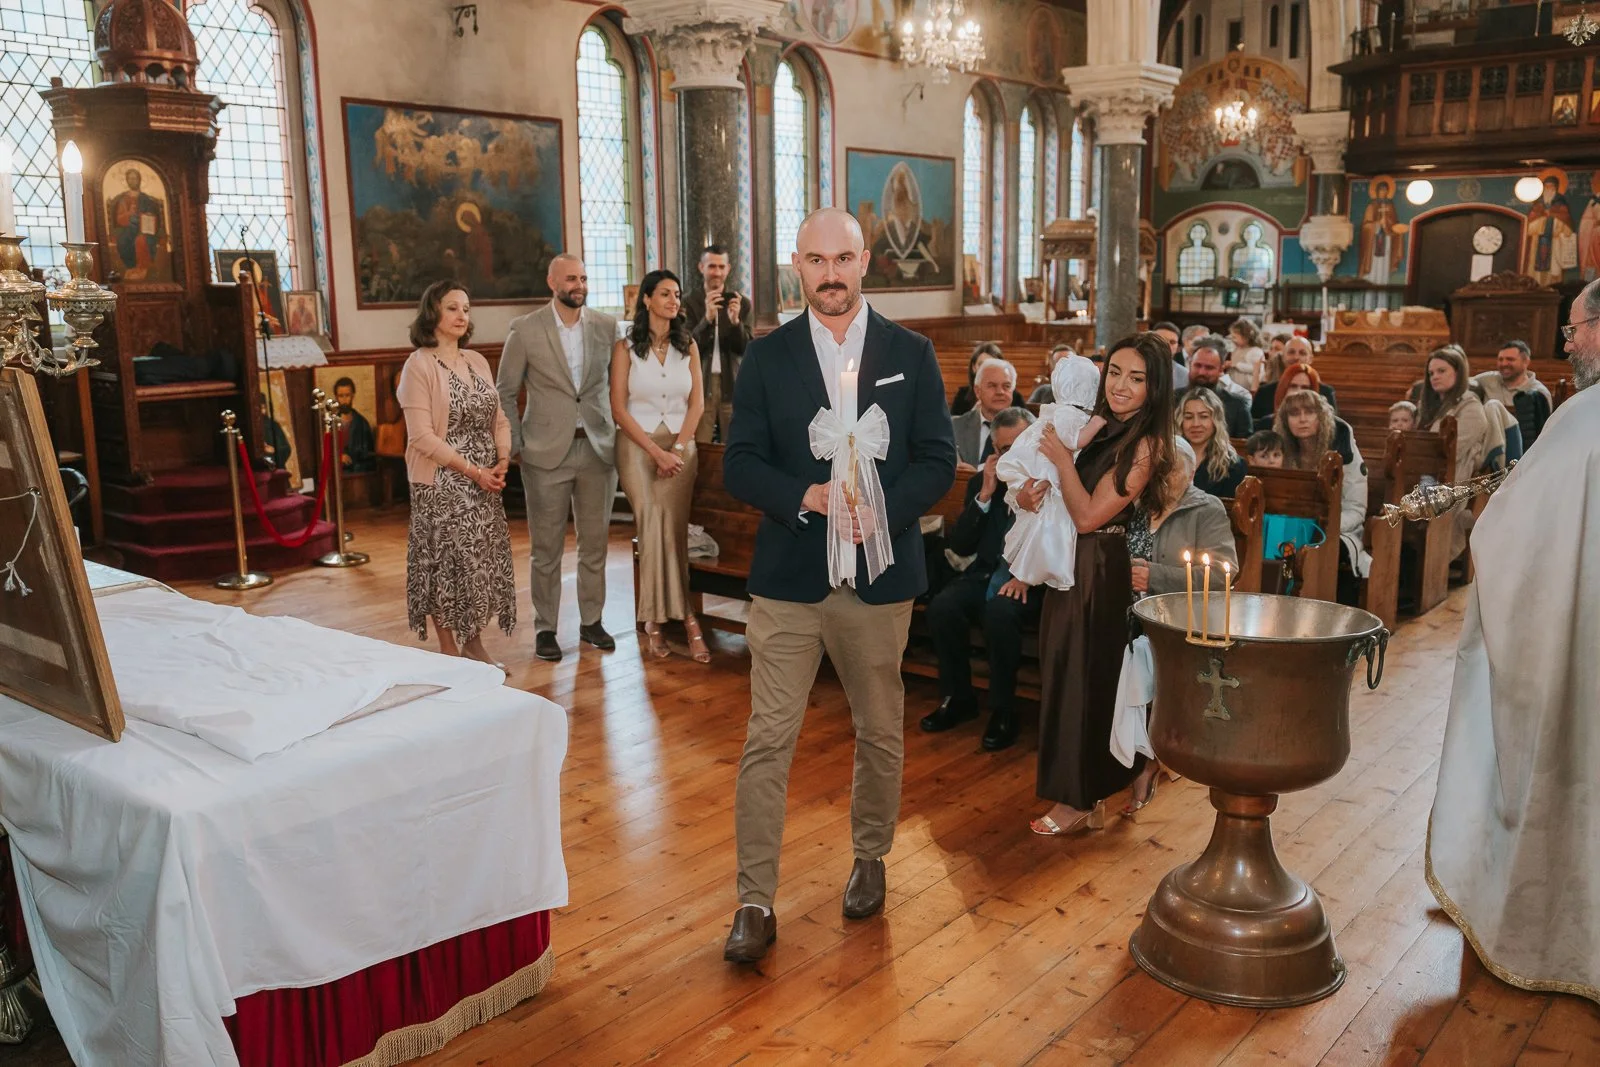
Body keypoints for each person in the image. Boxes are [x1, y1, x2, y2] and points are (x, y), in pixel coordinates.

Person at [720, 208, 956, 962]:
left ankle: (871, 856)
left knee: (879, 728)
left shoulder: (911, 353)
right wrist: (809, 496)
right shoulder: (768, 357)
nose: (830, 273)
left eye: (843, 258)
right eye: (815, 260)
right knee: (768, 737)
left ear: (865, 263)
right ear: (797, 265)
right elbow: (739, 462)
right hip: (791, 576)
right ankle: (754, 899)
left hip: (880, 579)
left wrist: (878, 504)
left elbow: (937, 459)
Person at [1427, 279, 1600, 1009]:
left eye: (1577, 326)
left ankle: (1548, 924)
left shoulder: (1585, 417)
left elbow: (1516, 538)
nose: (1569, 341)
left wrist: (1490, 527)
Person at [1021, 332, 1175, 836]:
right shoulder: (1097, 425)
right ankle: (1123, 772)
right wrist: (1030, 493)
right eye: (1114, 373)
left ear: (1155, 388)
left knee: (1083, 682)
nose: (1120, 387)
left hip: (1097, 564)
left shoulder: (1147, 444)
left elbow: (1088, 514)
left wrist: (1063, 464)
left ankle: (1077, 798)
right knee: (1066, 673)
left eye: (1136, 378)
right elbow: (1058, 496)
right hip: (1068, 559)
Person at [496, 254, 619, 663]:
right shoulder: (526, 330)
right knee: (546, 548)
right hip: (544, 452)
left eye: (583, 277)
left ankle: (592, 621)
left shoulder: (606, 327)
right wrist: (516, 445)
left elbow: (614, 386)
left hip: (598, 448)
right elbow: (505, 391)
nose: (579, 285)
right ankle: (546, 628)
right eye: (571, 278)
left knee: (595, 544)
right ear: (552, 282)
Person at [397, 282, 515, 666]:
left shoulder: (477, 360)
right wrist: (474, 470)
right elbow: (421, 437)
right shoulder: (419, 365)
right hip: (441, 482)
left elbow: (498, 417)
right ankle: (450, 651)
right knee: (443, 565)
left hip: (483, 483)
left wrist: (501, 459)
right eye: (452, 308)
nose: (462, 315)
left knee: (477, 563)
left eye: (466, 307)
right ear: (432, 313)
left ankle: (475, 644)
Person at [1121, 437, 1238, 810]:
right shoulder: (1135, 505)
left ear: (1190, 472)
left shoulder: (1207, 509)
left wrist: (1154, 576)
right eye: (1156, 467)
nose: (1161, 475)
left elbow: (1223, 577)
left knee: (1151, 656)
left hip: (1179, 619)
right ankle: (1116, 755)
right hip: (1127, 609)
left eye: (1170, 467)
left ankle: (1151, 760)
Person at [920, 406, 1039, 752]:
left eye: (1019, 445)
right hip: (986, 572)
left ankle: (1003, 710)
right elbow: (960, 545)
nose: (1012, 455)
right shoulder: (987, 482)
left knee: (1000, 614)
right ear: (994, 453)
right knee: (944, 606)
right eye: (1003, 450)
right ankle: (957, 698)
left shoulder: (1051, 481)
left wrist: (1025, 576)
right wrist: (985, 493)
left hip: (1031, 578)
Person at [610, 269, 709, 663]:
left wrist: (680, 447)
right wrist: (656, 452)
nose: (674, 300)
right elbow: (619, 408)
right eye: (665, 293)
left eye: (677, 295)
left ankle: (659, 620)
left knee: (675, 533)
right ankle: (683, 619)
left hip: (681, 448)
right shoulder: (625, 348)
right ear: (647, 299)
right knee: (652, 525)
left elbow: (698, 404)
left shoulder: (690, 347)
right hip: (638, 447)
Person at [996, 355, 1106, 590]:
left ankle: (1036, 569)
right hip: (1053, 477)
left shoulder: (1058, 411)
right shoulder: (1071, 414)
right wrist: (1096, 424)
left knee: (1048, 526)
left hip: (1088, 533)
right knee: (1049, 524)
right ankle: (1040, 569)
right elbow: (1072, 440)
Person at [1274, 389, 1370, 603]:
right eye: (1294, 413)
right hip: (1290, 528)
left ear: (1321, 416)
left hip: (1338, 530)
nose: (1302, 419)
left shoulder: (1343, 449)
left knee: (1318, 552)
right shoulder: (1281, 452)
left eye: (1309, 412)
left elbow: (1356, 508)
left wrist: (1325, 528)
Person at [681, 245, 752, 443]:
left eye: (721, 267)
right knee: (700, 445)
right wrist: (707, 319)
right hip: (700, 384)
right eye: (712, 266)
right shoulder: (688, 302)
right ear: (701, 267)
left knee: (734, 445)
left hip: (732, 382)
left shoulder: (742, 303)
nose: (717, 272)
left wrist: (736, 322)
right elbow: (685, 347)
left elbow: (746, 349)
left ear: (728, 268)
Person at [1471, 339, 1552, 449]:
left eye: (1510, 359)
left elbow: (1543, 431)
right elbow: (1463, 384)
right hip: (1487, 443)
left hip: (1522, 447)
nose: (1503, 364)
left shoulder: (1538, 393)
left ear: (1526, 362)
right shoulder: (1488, 379)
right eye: (1500, 359)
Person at [1177, 387, 1248, 497]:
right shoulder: (1169, 458)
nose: (1195, 424)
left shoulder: (1233, 465)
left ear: (1216, 421)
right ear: (1181, 421)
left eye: (1204, 416)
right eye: (1189, 417)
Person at [953, 358, 1022, 469]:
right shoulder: (954, 427)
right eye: (992, 386)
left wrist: (976, 475)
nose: (1000, 392)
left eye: (1006, 386)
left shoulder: (1027, 429)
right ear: (977, 391)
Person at [1253, 335, 1336, 425]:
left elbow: (1331, 426)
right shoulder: (1264, 392)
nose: (1296, 357)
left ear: (1310, 359)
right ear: (1283, 357)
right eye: (1291, 352)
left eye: (1302, 353)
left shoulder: (1325, 392)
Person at [1186, 338, 1254, 437]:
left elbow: (1243, 447)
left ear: (1221, 370)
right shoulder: (1171, 400)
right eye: (1198, 365)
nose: (1202, 372)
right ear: (1190, 364)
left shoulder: (1238, 406)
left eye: (1209, 368)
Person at [950, 342, 1025, 415]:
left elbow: (1028, 423)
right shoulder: (962, 395)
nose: (986, 369)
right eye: (981, 364)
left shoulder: (1013, 395)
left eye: (991, 364)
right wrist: (975, 413)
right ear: (973, 368)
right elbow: (953, 423)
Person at [333, 376, 377, 473]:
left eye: (347, 395)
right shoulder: (330, 424)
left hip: (357, 475)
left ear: (353, 395)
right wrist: (337, 458)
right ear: (336, 397)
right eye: (341, 396)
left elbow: (370, 456)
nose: (344, 400)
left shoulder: (362, 424)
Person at [1226, 317, 1266, 393]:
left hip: (1248, 389)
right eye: (1232, 337)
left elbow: (1257, 369)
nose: (1233, 340)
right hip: (1234, 388)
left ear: (1246, 337)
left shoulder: (1255, 351)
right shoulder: (1236, 350)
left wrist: (1237, 365)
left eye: (1235, 337)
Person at [1151, 321, 1191, 389]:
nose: (1167, 345)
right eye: (1161, 340)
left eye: (1172, 342)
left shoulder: (1185, 375)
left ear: (1178, 347)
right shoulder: (1136, 365)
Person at [259, 391, 291, 472]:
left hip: (276, 467)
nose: (262, 411)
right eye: (259, 408)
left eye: (263, 408)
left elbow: (286, 448)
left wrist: (273, 450)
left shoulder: (273, 425)